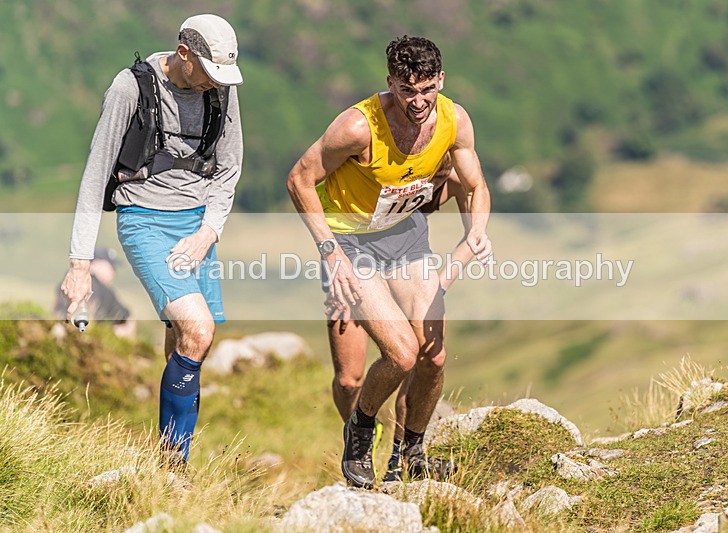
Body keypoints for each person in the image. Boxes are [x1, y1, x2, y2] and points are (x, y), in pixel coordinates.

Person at [288, 35, 491, 488]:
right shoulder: (357, 127)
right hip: (350, 242)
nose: (418, 102)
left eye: (427, 90)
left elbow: (475, 185)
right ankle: (360, 429)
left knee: (433, 357)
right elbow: (299, 179)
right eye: (407, 90)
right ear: (391, 83)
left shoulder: (454, 120)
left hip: (404, 236)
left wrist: (476, 231)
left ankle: (412, 454)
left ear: (441, 80)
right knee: (400, 354)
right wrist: (330, 252)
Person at [60, 14, 244, 465]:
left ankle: (165, 463)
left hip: (197, 224)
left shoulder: (221, 85)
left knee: (185, 337)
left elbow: (229, 166)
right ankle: (174, 463)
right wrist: (80, 265)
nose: (216, 84)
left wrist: (209, 231)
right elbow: (95, 174)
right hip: (144, 218)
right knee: (199, 330)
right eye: (209, 73)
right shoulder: (130, 89)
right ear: (184, 54)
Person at [325, 161, 475, 482]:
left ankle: (400, 460)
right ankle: (359, 435)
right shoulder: (394, 161)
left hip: (406, 265)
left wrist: (438, 287)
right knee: (349, 380)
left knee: (420, 358)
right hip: (356, 257)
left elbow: (473, 238)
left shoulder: (457, 175)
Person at [54, 247, 136, 338]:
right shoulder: (98, 287)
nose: (114, 272)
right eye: (111, 266)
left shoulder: (71, 280)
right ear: (99, 263)